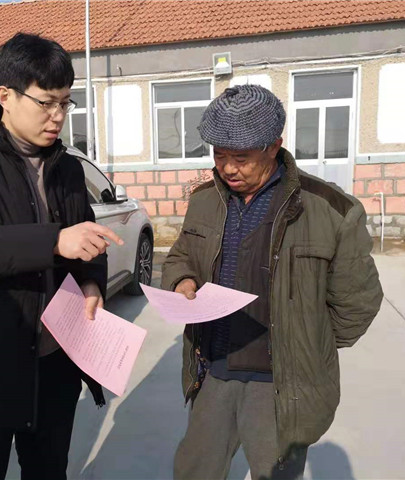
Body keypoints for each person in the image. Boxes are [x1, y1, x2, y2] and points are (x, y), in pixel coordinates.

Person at [0, 32, 123, 480]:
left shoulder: (67, 166)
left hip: (53, 358)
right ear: (5, 95)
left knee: (48, 470)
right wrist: (53, 241)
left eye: (65, 103)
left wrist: (91, 280)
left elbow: (84, 236)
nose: (58, 117)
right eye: (46, 103)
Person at [162, 85, 383, 479]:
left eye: (241, 158)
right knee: (194, 470)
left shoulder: (330, 209)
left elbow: (358, 302)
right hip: (213, 371)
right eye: (219, 155)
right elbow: (180, 256)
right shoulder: (204, 201)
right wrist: (182, 281)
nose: (228, 169)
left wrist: (306, 343)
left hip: (279, 384)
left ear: (273, 146)